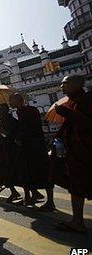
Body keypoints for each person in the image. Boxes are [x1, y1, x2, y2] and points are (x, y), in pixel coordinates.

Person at [54, 75, 92, 233]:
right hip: (75, 153)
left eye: (65, 83)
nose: (62, 87)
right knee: (77, 186)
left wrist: (66, 112)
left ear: (77, 84)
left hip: (86, 151)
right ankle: (77, 220)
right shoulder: (71, 102)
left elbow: (88, 123)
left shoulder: (87, 100)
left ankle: (77, 221)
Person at [9, 93, 54, 209]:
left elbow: (26, 128)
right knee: (28, 172)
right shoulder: (23, 112)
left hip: (33, 147)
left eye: (11, 100)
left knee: (42, 172)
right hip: (30, 147)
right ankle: (30, 197)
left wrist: (19, 138)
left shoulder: (27, 111)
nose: (10, 103)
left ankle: (50, 202)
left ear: (18, 100)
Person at [0, 103, 22, 202]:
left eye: (0, 110)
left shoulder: (11, 121)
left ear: (5, 111)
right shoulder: (3, 121)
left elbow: (9, 136)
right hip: (4, 150)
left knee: (10, 173)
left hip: (10, 150)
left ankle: (25, 193)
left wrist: (1, 130)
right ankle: (14, 191)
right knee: (6, 173)